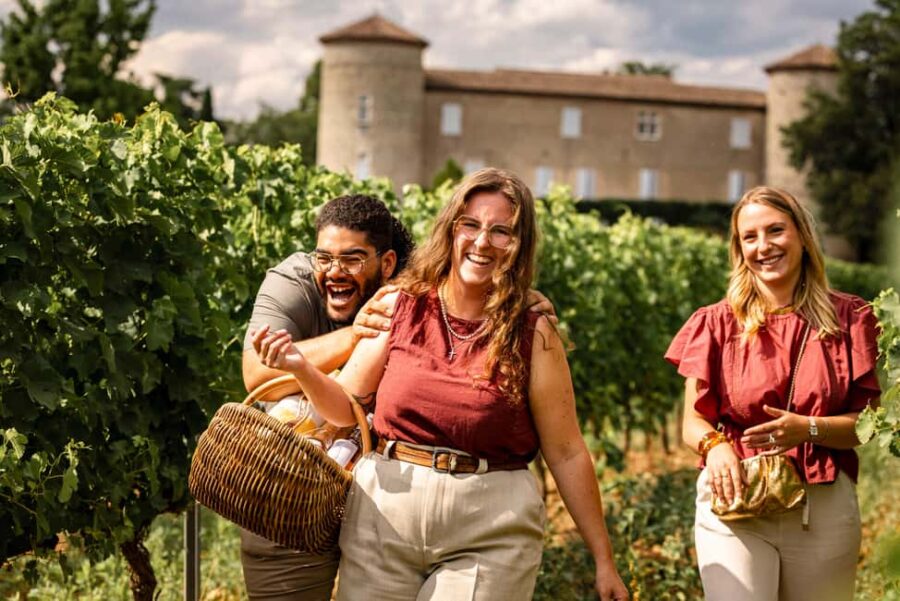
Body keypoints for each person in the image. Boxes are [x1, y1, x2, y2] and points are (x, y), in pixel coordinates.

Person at [253, 168, 629, 601]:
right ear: (451, 229)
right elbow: (345, 409)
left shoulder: (534, 333)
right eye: (470, 225)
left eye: (501, 231)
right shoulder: (400, 305)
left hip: (489, 528)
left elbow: (566, 452)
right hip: (383, 519)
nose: (482, 241)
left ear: (519, 244)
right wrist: (301, 367)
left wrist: (603, 559)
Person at [665, 186, 880, 601]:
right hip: (735, 498)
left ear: (802, 235)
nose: (763, 246)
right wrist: (714, 447)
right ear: (739, 248)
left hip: (820, 508)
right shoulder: (715, 323)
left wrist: (809, 428)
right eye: (750, 237)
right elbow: (693, 420)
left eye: (775, 230)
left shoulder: (851, 319)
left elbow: (867, 426)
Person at [239, 194, 415, 600]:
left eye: (352, 260)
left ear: (387, 263)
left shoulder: (411, 290)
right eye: (325, 258)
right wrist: (354, 337)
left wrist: (525, 300)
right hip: (295, 488)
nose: (334, 272)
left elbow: (473, 292)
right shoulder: (294, 280)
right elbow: (256, 374)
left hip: (388, 495)